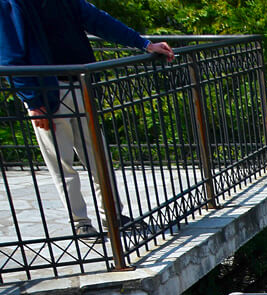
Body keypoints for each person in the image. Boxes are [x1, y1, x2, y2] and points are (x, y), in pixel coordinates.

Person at [0, 0, 174, 240]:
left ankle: (113, 216)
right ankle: (80, 222)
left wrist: (144, 44)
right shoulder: (11, 3)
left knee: (98, 155)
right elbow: (10, 55)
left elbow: (99, 21)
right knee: (63, 164)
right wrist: (33, 102)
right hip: (47, 93)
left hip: (82, 85)